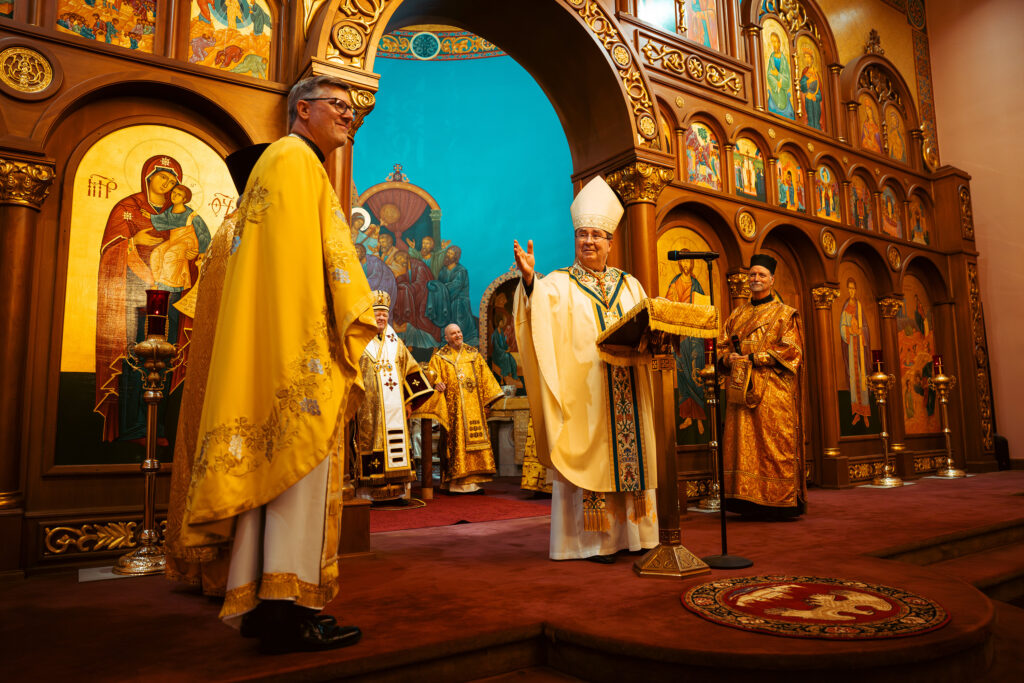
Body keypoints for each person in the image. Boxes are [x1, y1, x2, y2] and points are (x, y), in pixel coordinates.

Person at [164, 75, 377, 653]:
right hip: (295, 352)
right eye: (339, 105)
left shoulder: (289, 163)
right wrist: (347, 317)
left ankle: (267, 606)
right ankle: (288, 610)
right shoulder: (293, 160)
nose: (349, 116)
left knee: (277, 485)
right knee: (294, 483)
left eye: (353, 109)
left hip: (280, 345)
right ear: (301, 109)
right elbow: (310, 265)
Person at [512, 176, 658, 563]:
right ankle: (594, 542)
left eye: (596, 234)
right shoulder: (557, 284)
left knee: (631, 458)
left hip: (628, 385)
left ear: (610, 241)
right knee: (592, 458)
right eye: (582, 234)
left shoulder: (631, 286)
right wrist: (529, 281)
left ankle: (634, 537)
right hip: (587, 394)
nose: (589, 241)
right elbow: (537, 312)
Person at [717, 254, 805, 520]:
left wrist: (755, 358)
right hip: (740, 387)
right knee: (741, 443)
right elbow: (722, 345)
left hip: (772, 391)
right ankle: (745, 499)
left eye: (761, 275)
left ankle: (777, 500)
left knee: (772, 443)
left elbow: (792, 350)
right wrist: (727, 358)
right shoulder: (737, 313)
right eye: (752, 275)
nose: (755, 279)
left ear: (772, 280)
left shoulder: (785, 314)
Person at [352, 291, 433, 504]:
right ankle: (369, 494)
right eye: (377, 314)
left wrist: (409, 402)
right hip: (367, 410)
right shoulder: (359, 343)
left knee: (395, 446)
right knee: (370, 445)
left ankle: (395, 492)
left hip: (395, 411)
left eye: (384, 315)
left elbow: (411, 371)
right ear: (369, 316)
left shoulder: (397, 344)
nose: (381, 318)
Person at [418, 323, 503, 494]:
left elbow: (487, 378)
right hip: (453, 411)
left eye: (459, 332)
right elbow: (434, 378)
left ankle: (476, 483)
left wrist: (488, 403)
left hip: (474, 410)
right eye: (453, 333)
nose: (457, 335)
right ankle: (456, 484)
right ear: (446, 338)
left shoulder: (473, 354)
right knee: (455, 444)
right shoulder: (440, 357)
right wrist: (437, 384)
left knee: (477, 443)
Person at [840, 277, 871, 427]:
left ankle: (865, 413)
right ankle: (857, 413)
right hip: (851, 346)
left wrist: (861, 331)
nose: (852, 291)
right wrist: (849, 331)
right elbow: (842, 327)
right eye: (849, 288)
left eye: (854, 288)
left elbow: (865, 327)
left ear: (856, 290)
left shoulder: (859, 306)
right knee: (854, 379)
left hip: (860, 348)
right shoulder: (846, 307)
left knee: (863, 378)